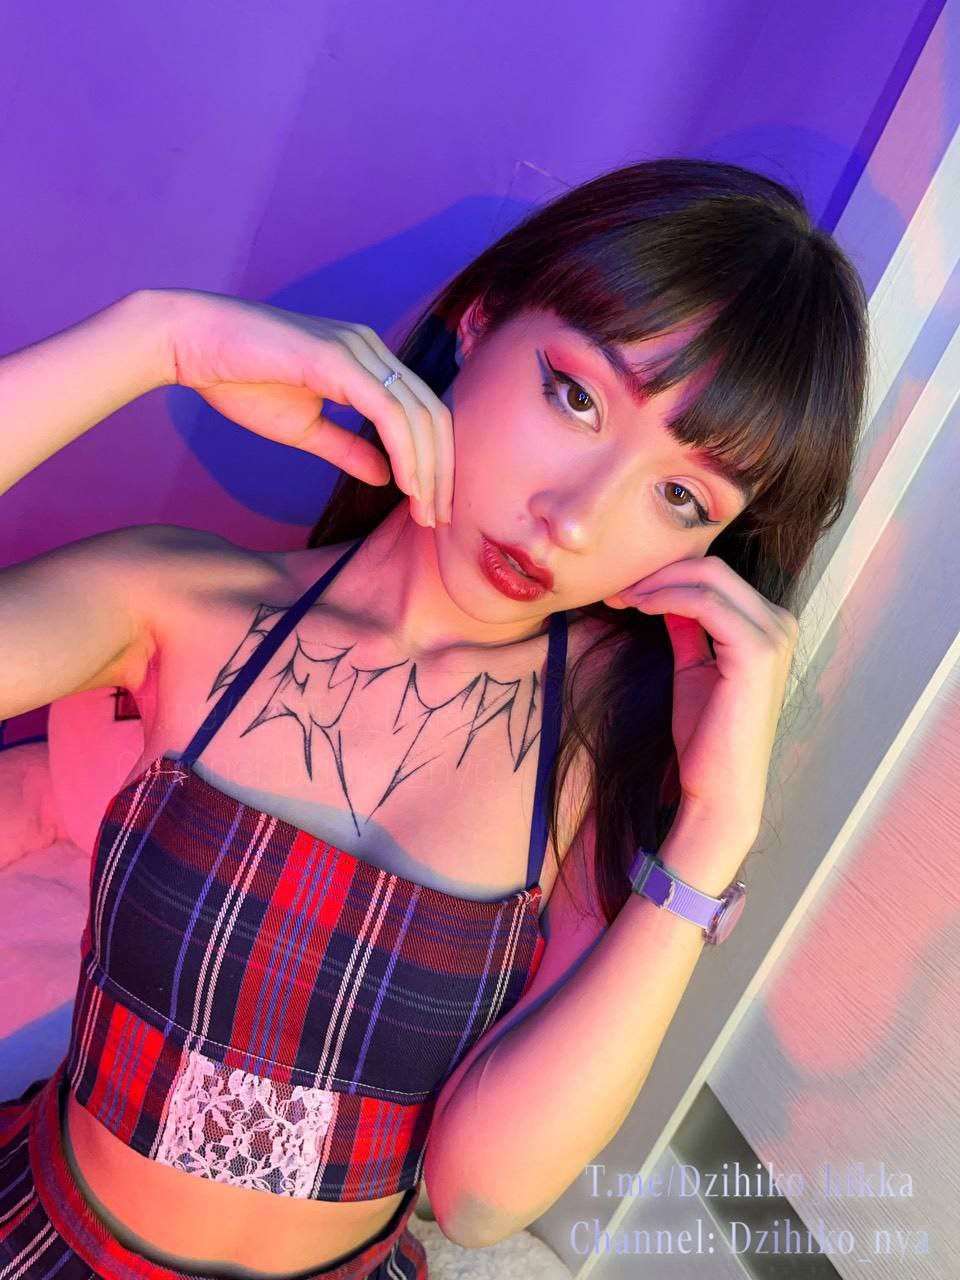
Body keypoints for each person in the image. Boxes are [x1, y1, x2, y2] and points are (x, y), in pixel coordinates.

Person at [0, 157, 868, 1279]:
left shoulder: (611, 749)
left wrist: (713, 833)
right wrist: (152, 341)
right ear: (481, 317)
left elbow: (479, 1197)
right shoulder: (176, 601)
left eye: (680, 495)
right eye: (577, 396)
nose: (574, 519)